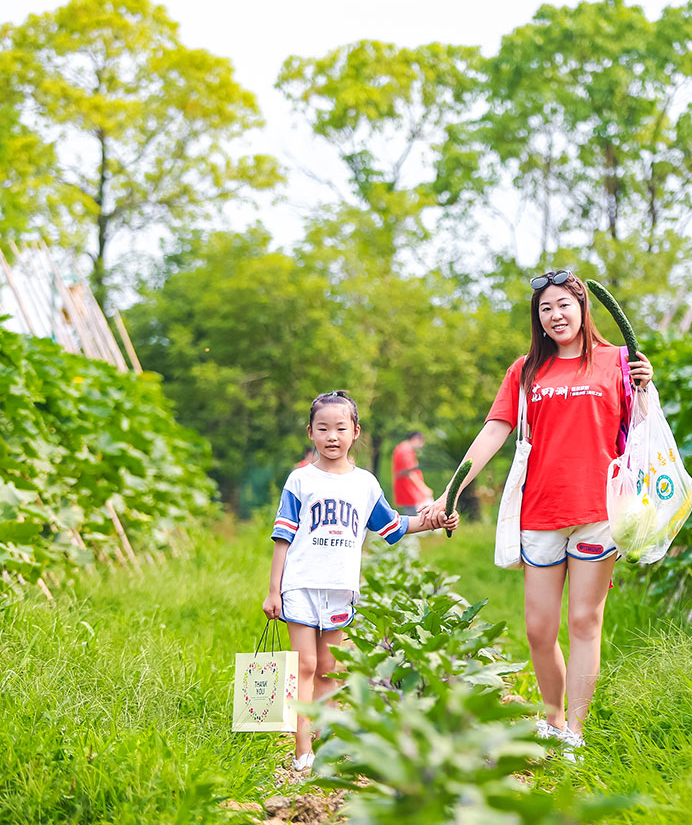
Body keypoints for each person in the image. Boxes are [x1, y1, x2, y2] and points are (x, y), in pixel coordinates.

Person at [421, 270, 652, 761]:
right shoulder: (525, 372)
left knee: (585, 621)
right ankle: (550, 718)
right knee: (538, 629)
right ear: (538, 319)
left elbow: (646, 431)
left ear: (583, 307)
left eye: (564, 305)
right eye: (546, 309)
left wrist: (648, 387)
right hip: (540, 512)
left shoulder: (618, 361)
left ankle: (575, 730)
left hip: (598, 512)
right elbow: (493, 433)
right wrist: (451, 491)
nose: (556, 315)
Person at [262, 390, 458, 773]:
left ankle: (327, 745)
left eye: (340, 428)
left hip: (339, 589)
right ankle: (302, 752)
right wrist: (274, 591)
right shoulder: (300, 480)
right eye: (323, 428)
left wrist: (435, 519)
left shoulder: (365, 484)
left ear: (355, 432)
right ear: (310, 432)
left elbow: (393, 526)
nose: (331, 436)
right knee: (304, 665)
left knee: (330, 669)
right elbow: (282, 538)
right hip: (299, 585)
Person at [391, 431, 434, 512]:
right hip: (412, 494)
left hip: (410, 494)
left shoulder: (402, 449)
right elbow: (410, 473)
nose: (421, 446)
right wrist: (424, 489)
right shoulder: (405, 451)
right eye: (421, 443)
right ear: (415, 439)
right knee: (422, 519)